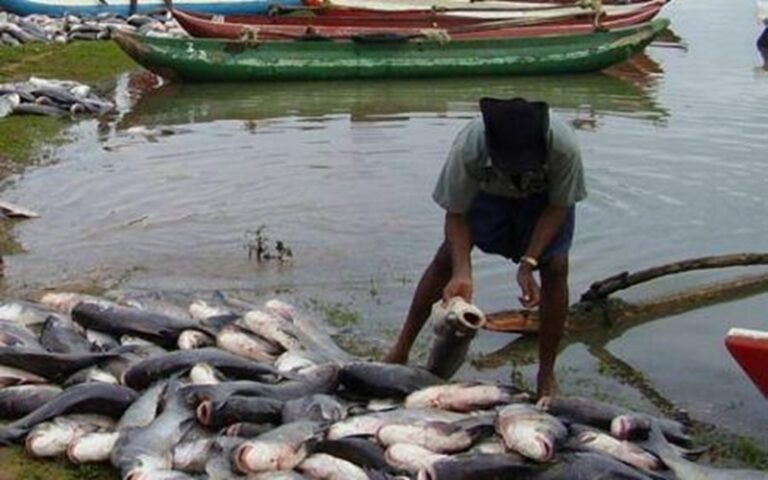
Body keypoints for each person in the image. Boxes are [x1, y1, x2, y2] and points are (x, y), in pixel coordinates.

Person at [383, 97, 587, 407]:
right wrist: (463, 271)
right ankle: (401, 348)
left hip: (542, 202)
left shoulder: (564, 148)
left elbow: (559, 207)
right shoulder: (470, 147)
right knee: (445, 260)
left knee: (556, 268)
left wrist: (529, 262)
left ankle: (546, 374)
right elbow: (456, 214)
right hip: (487, 196)